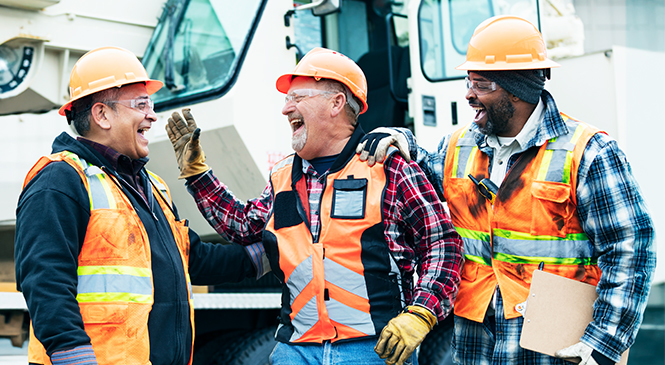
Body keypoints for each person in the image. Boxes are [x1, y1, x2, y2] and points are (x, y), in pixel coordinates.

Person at [356, 15, 656, 365]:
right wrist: (401, 139)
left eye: (481, 85)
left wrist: (604, 342)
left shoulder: (588, 152)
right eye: (469, 82)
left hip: (552, 345)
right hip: (475, 340)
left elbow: (630, 249)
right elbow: (426, 173)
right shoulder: (459, 146)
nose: (469, 95)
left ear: (517, 90)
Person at [165, 47, 464, 365]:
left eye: (297, 98)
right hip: (296, 351)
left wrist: (421, 314)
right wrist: (198, 175)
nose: (285, 109)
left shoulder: (388, 168)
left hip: (373, 352)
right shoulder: (282, 177)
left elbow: (442, 245)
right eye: (285, 100)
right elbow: (243, 226)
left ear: (336, 103)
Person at [14, 46, 265, 365]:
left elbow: (193, 260)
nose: (152, 115)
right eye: (141, 104)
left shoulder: (152, 186)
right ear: (102, 114)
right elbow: (45, 281)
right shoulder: (60, 180)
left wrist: (270, 253)